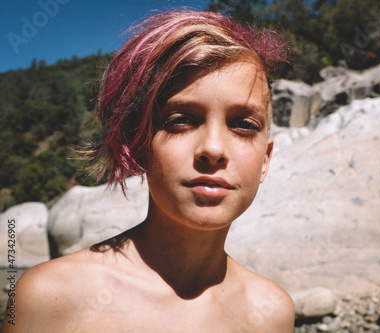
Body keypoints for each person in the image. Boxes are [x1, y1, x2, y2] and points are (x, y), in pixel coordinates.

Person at [2, 9, 294, 332]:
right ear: (138, 143)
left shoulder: (272, 313)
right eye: (180, 120)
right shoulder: (46, 298)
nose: (213, 148)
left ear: (265, 160)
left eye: (242, 125)